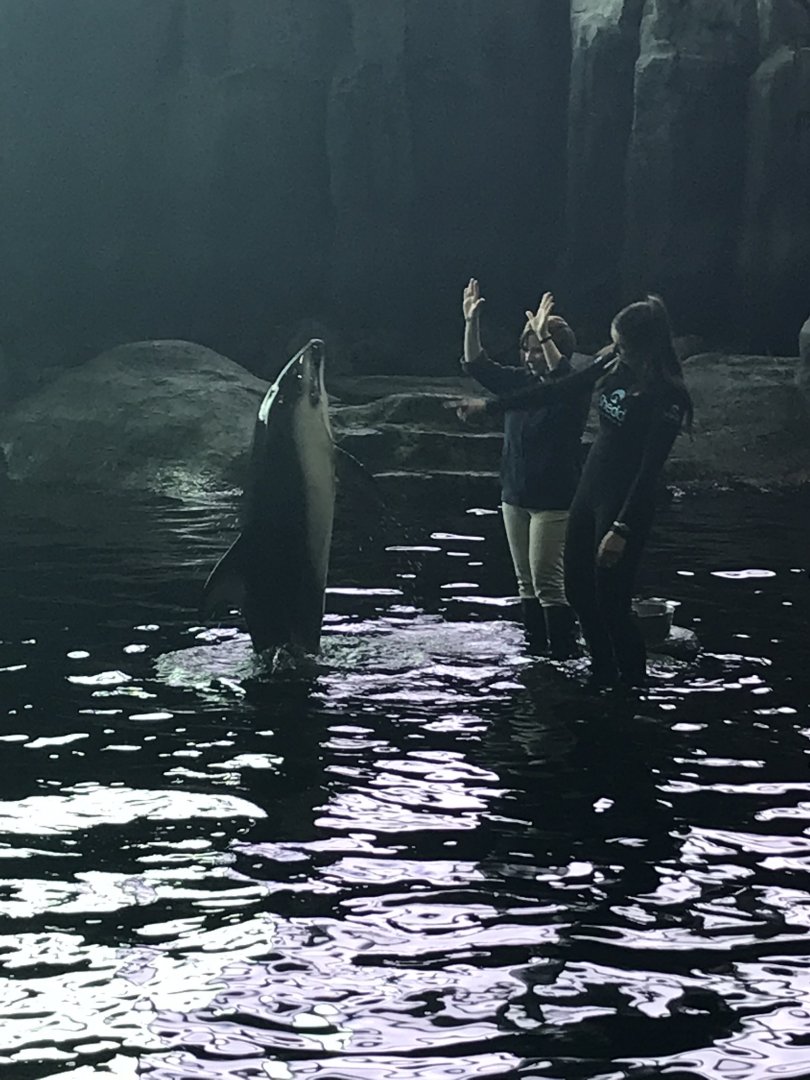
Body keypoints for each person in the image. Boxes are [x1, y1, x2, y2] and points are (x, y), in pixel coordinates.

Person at [458, 293, 693, 690]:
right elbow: (559, 388)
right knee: (578, 593)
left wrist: (622, 529)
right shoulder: (612, 363)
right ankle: (600, 674)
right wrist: (490, 407)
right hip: (590, 489)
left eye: (621, 345)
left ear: (643, 347)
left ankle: (631, 689)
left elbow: (648, 472)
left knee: (612, 604)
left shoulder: (666, 396)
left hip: (623, 501)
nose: (613, 351)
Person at [459, 278, 589, 658]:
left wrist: (545, 335)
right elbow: (476, 365)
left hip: (554, 500)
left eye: (537, 350)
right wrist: (471, 322)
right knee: (526, 583)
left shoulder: (573, 389)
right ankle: (535, 653)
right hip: (514, 494)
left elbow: (561, 376)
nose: (530, 356)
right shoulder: (518, 383)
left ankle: (563, 655)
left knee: (549, 583)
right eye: (526, 349)